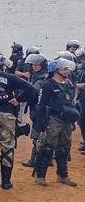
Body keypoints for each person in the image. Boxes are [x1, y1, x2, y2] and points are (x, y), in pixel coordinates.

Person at [0, 54, 36, 190]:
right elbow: (31, 89)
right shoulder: (10, 77)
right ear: (2, 66)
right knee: (8, 147)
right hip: (8, 115)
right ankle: (6, 182)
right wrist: (18, 99)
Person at [32, 58, 78, 186]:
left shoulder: (69, 83)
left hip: (67, 120)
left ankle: (63, 176)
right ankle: (40, 176)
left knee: (64, 149)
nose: (66, 71)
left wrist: (73, 121)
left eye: (67, 69)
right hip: (53, 120)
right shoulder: (47, 84)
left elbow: (71, 102)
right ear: (56, 70)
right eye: (64, 69)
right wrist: (39, 122)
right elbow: (40, 104)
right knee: (47, 148)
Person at [21, 53, 49, 167]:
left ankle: (34, 160)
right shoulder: (36, 75)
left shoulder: (42, 78)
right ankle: (45, 159)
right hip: (37, 108)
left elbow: (34, 90)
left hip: (40, 110)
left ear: (42, 65)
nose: (34, 66)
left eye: (37, 65)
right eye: (33, 64)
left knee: (37, 136)